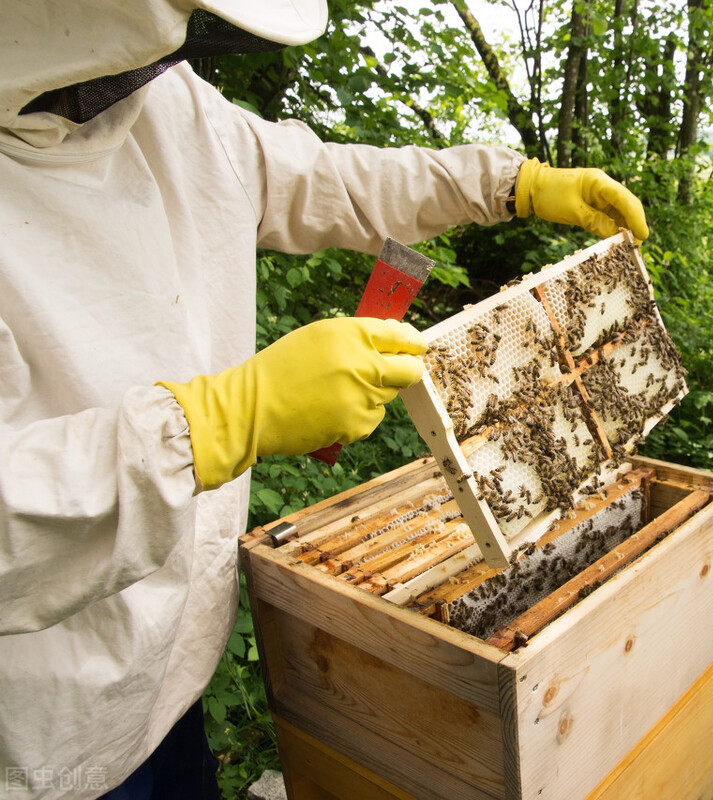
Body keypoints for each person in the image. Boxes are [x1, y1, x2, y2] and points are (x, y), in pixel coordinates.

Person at [0, 2, 650, 798]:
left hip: (167, 682)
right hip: (39, 736)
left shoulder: (162, 109)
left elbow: (320, 176)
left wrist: (508, 183)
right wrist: (211, 427)